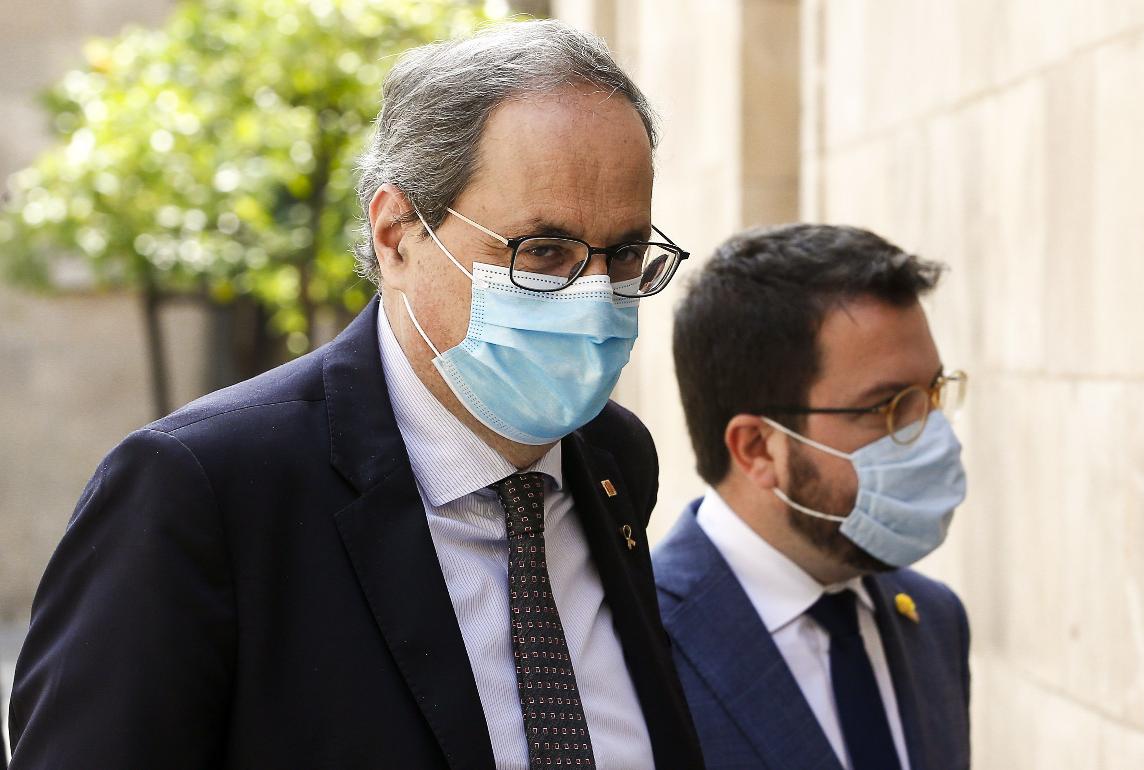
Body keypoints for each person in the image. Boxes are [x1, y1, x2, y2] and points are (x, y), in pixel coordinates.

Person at [8, 20, 704, 770]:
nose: (595, 296)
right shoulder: (201, 492)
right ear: (397, 234)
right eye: (543, 251)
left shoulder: (613, 457)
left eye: (626, 253)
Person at [654, 224, 971, 770]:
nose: (933, 434)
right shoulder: (632, 646)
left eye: (932, 393)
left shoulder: (936, 620)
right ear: (757, 448)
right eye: (887, 406)